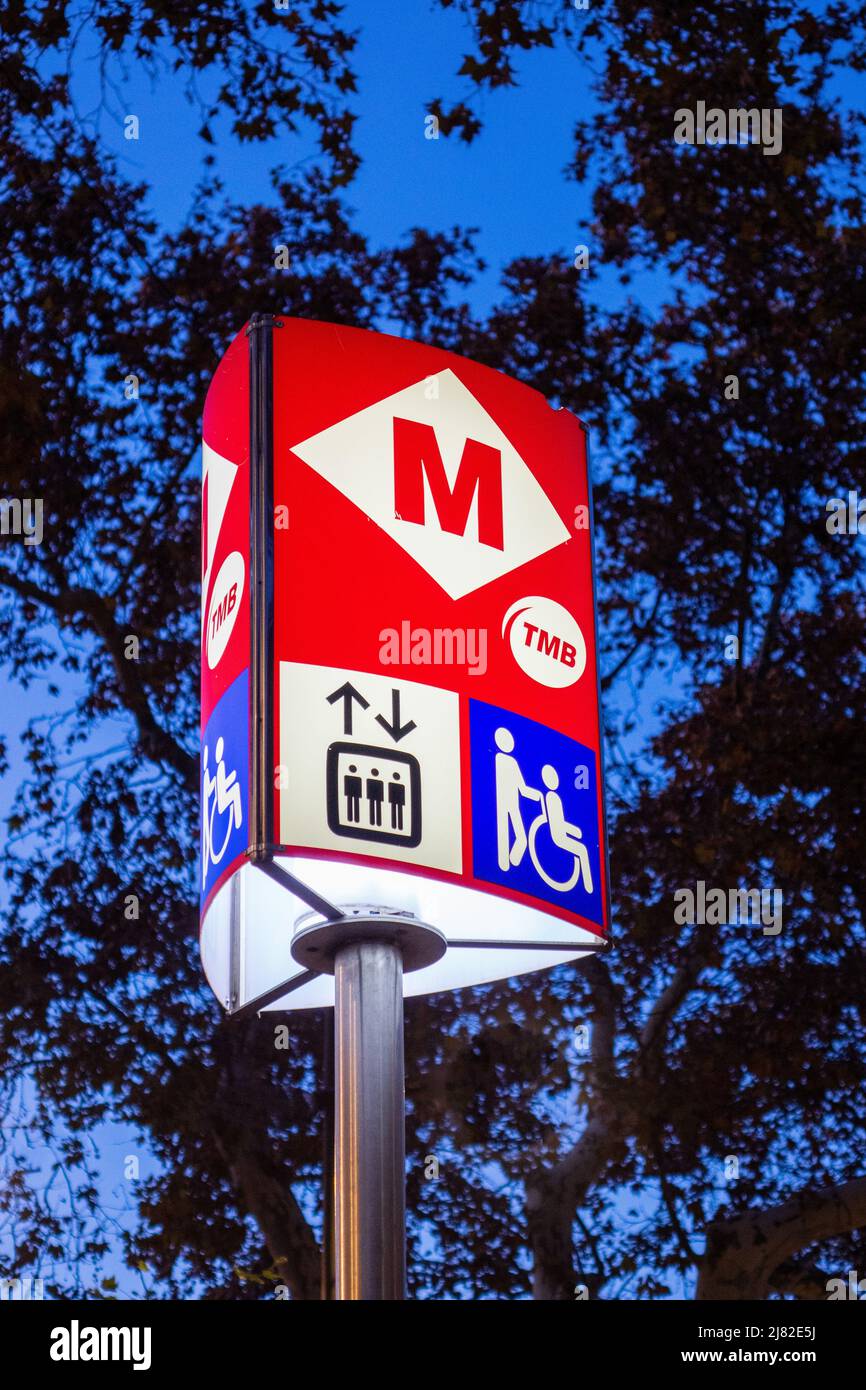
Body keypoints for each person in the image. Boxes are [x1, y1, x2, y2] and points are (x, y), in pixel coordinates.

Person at [494, 726, 542, 871]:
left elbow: (521, 787)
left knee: (521, 837)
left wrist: (535, 795)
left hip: (513, 804)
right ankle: (503, 866)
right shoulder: (499, 759)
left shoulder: (513, 762)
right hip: (501, 802)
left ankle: (511, 863)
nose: (509, 744)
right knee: (503, 834)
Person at [539, 764, 593, 892]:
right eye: (552, 778)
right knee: (582, 850)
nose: (555, 780)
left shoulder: (555, 797)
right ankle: (588, 887)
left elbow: (560, 821)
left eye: (555, 777)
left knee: (582, 849)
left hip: (561, 831)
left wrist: (575, 831)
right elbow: (555, 822)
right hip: (558, 836)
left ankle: (588, 888)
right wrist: (574, 831)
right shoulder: (551, 798)